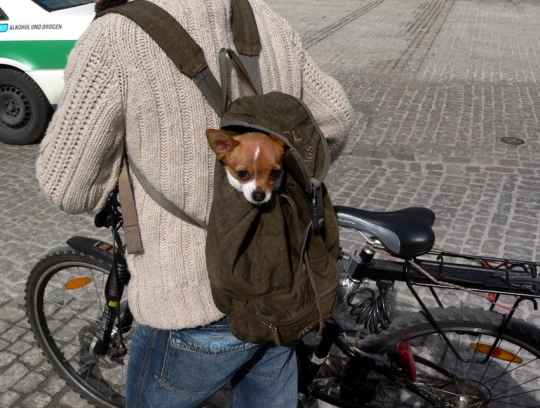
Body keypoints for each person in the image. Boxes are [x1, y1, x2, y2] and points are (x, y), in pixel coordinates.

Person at [36, 0, 352, 406]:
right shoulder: (263, 16)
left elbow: (68, 188)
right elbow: (335, 118)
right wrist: (278, 173)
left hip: (190, 297)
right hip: (280, 283)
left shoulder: (113, 36)